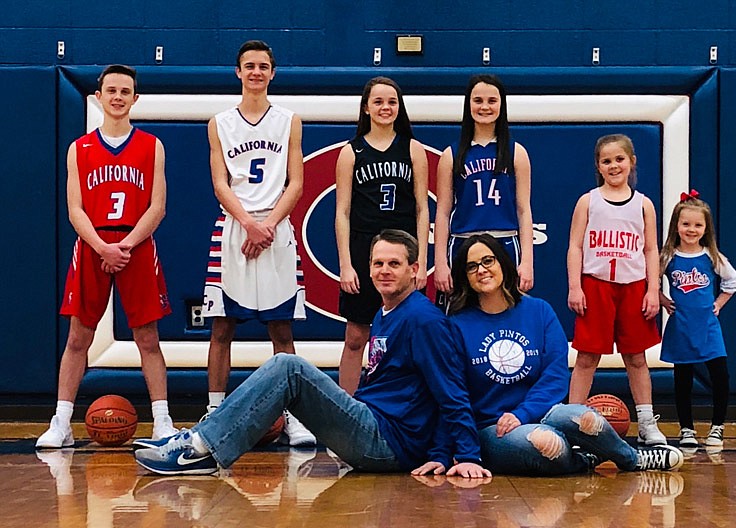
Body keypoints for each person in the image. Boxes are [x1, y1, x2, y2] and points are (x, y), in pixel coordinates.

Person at [135, 230, 491, 479]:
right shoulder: (386, 313)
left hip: (388, 442)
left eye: (394, 264)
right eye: (378, 263)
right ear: (368, 269)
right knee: (287, 370)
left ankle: (199, 449)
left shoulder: (423, 319)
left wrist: (459, 455)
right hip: (373, 425)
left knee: (288, 367)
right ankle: (201, 440)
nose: (384, 271)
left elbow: (451, 392)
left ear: (415, 271)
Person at [414, 234, 683, 476]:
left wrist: (523, 413)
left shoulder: (539, 311)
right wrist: (443, 452)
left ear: (503, 263)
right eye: (471, 267)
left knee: (583, 417)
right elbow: (451, 395)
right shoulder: (457, 325)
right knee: (546, 442)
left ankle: (632, 459)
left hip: (541, 413)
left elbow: (554, 376)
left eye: (488, 261)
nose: (482, 270)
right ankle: (585, 460)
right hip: (493, 428)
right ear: (465, 277)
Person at [37, 65, 177, 448]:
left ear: (135, 98)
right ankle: (61, 422)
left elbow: (158, 206)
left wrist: (125, 246)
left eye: (125, 91)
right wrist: (102, 247)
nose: (117, 97)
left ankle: (163, 421)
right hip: (93, 246)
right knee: (78, 337)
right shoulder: (79, 148)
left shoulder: (151, 146)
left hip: (136, 244)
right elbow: (75, 209)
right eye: (110, 90)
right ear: (98, 97)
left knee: (147, 338)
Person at [200, 40, 313, 446]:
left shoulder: (289, 120)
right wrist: (249, 223)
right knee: (221, 327)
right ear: (238, 72)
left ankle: (295, 414)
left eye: (263, 66)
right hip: (235, 228)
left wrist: (267, 225)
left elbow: (296, 182)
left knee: (281, 330)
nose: (256, 72)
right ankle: (214, 411)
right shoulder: (219, 122)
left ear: (272, 72)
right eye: (249, 66)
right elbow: (219, 183)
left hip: (277, 229)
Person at [566, 134, 667, 446]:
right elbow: (574, 247)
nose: (613, 166)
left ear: (632, 161)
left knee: (636, 358)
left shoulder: (643, 204)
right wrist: (574, 286)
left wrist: (653, 290)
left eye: (619, 159)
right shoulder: (588, 201)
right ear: (598, 165)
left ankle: (648, 423)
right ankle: (571, 421)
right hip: (595, 286)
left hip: (633, 286)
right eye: (606, 161)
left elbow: (651, 250)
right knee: (586, 358)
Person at [335, 76, 429, 394]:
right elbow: (342, 212)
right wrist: (346, 265)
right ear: (366, 108)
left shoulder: (413, 149)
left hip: (402, 252)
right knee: (356, 336)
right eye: (378, 101)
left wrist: (422, 263)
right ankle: (343, 417)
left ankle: (402, 409)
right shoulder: (351, 152)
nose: (385, 107)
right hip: (365, 249)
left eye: (391, 101)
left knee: (406, 335)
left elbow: (422, 209)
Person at [433, 74, 534, 308]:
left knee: (508, 311)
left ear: (502, 104)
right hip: (462, 242)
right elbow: (442, 212)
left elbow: (523, 210)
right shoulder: (451, 154)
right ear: (468, 105)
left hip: (505, 241)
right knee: (460, 313)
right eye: (478, 100)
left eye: (492, 100)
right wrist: (440, 261)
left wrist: (527, 259)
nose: (485, 107)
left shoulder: (516, 152)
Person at [659, 190, 736, 451]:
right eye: (686, 224)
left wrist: (718, 303)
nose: (691, 229)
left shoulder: (711, 257)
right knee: (682, 378)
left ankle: (717, 427)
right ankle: (687, 428)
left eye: (697, 225)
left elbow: (734, 281)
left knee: (720, 375)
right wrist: (661, 299)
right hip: (681, 327)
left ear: (706, 228)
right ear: (676, 225)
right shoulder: (667, 256)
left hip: (707, 327)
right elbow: (646, 282)